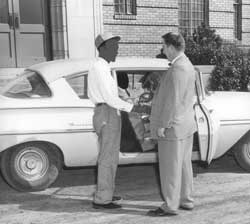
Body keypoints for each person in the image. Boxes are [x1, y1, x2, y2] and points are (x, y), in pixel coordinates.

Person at [88, 32, 141, 209]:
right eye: (114, 47)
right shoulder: (99, 68)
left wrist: (127, 99)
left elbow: (112, 94)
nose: (117, 51)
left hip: (108, 111)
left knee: (110, 157)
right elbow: (109, 98)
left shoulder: (103, 67)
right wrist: (134, 108)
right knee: (107, 158)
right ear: (102, 48)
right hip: (107, 112)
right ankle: (103, 199)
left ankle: (106, 193)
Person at [147, 32, 197, 216]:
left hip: (173, 126)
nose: (163, 50)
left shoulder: (177, 68)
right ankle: (186, 200)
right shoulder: (187, 65)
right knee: (183, 165)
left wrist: (162, 124)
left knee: (170, 168)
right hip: (185, 125)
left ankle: (170, 205)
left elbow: (172, 101)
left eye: (163, 46)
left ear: (170, 47)